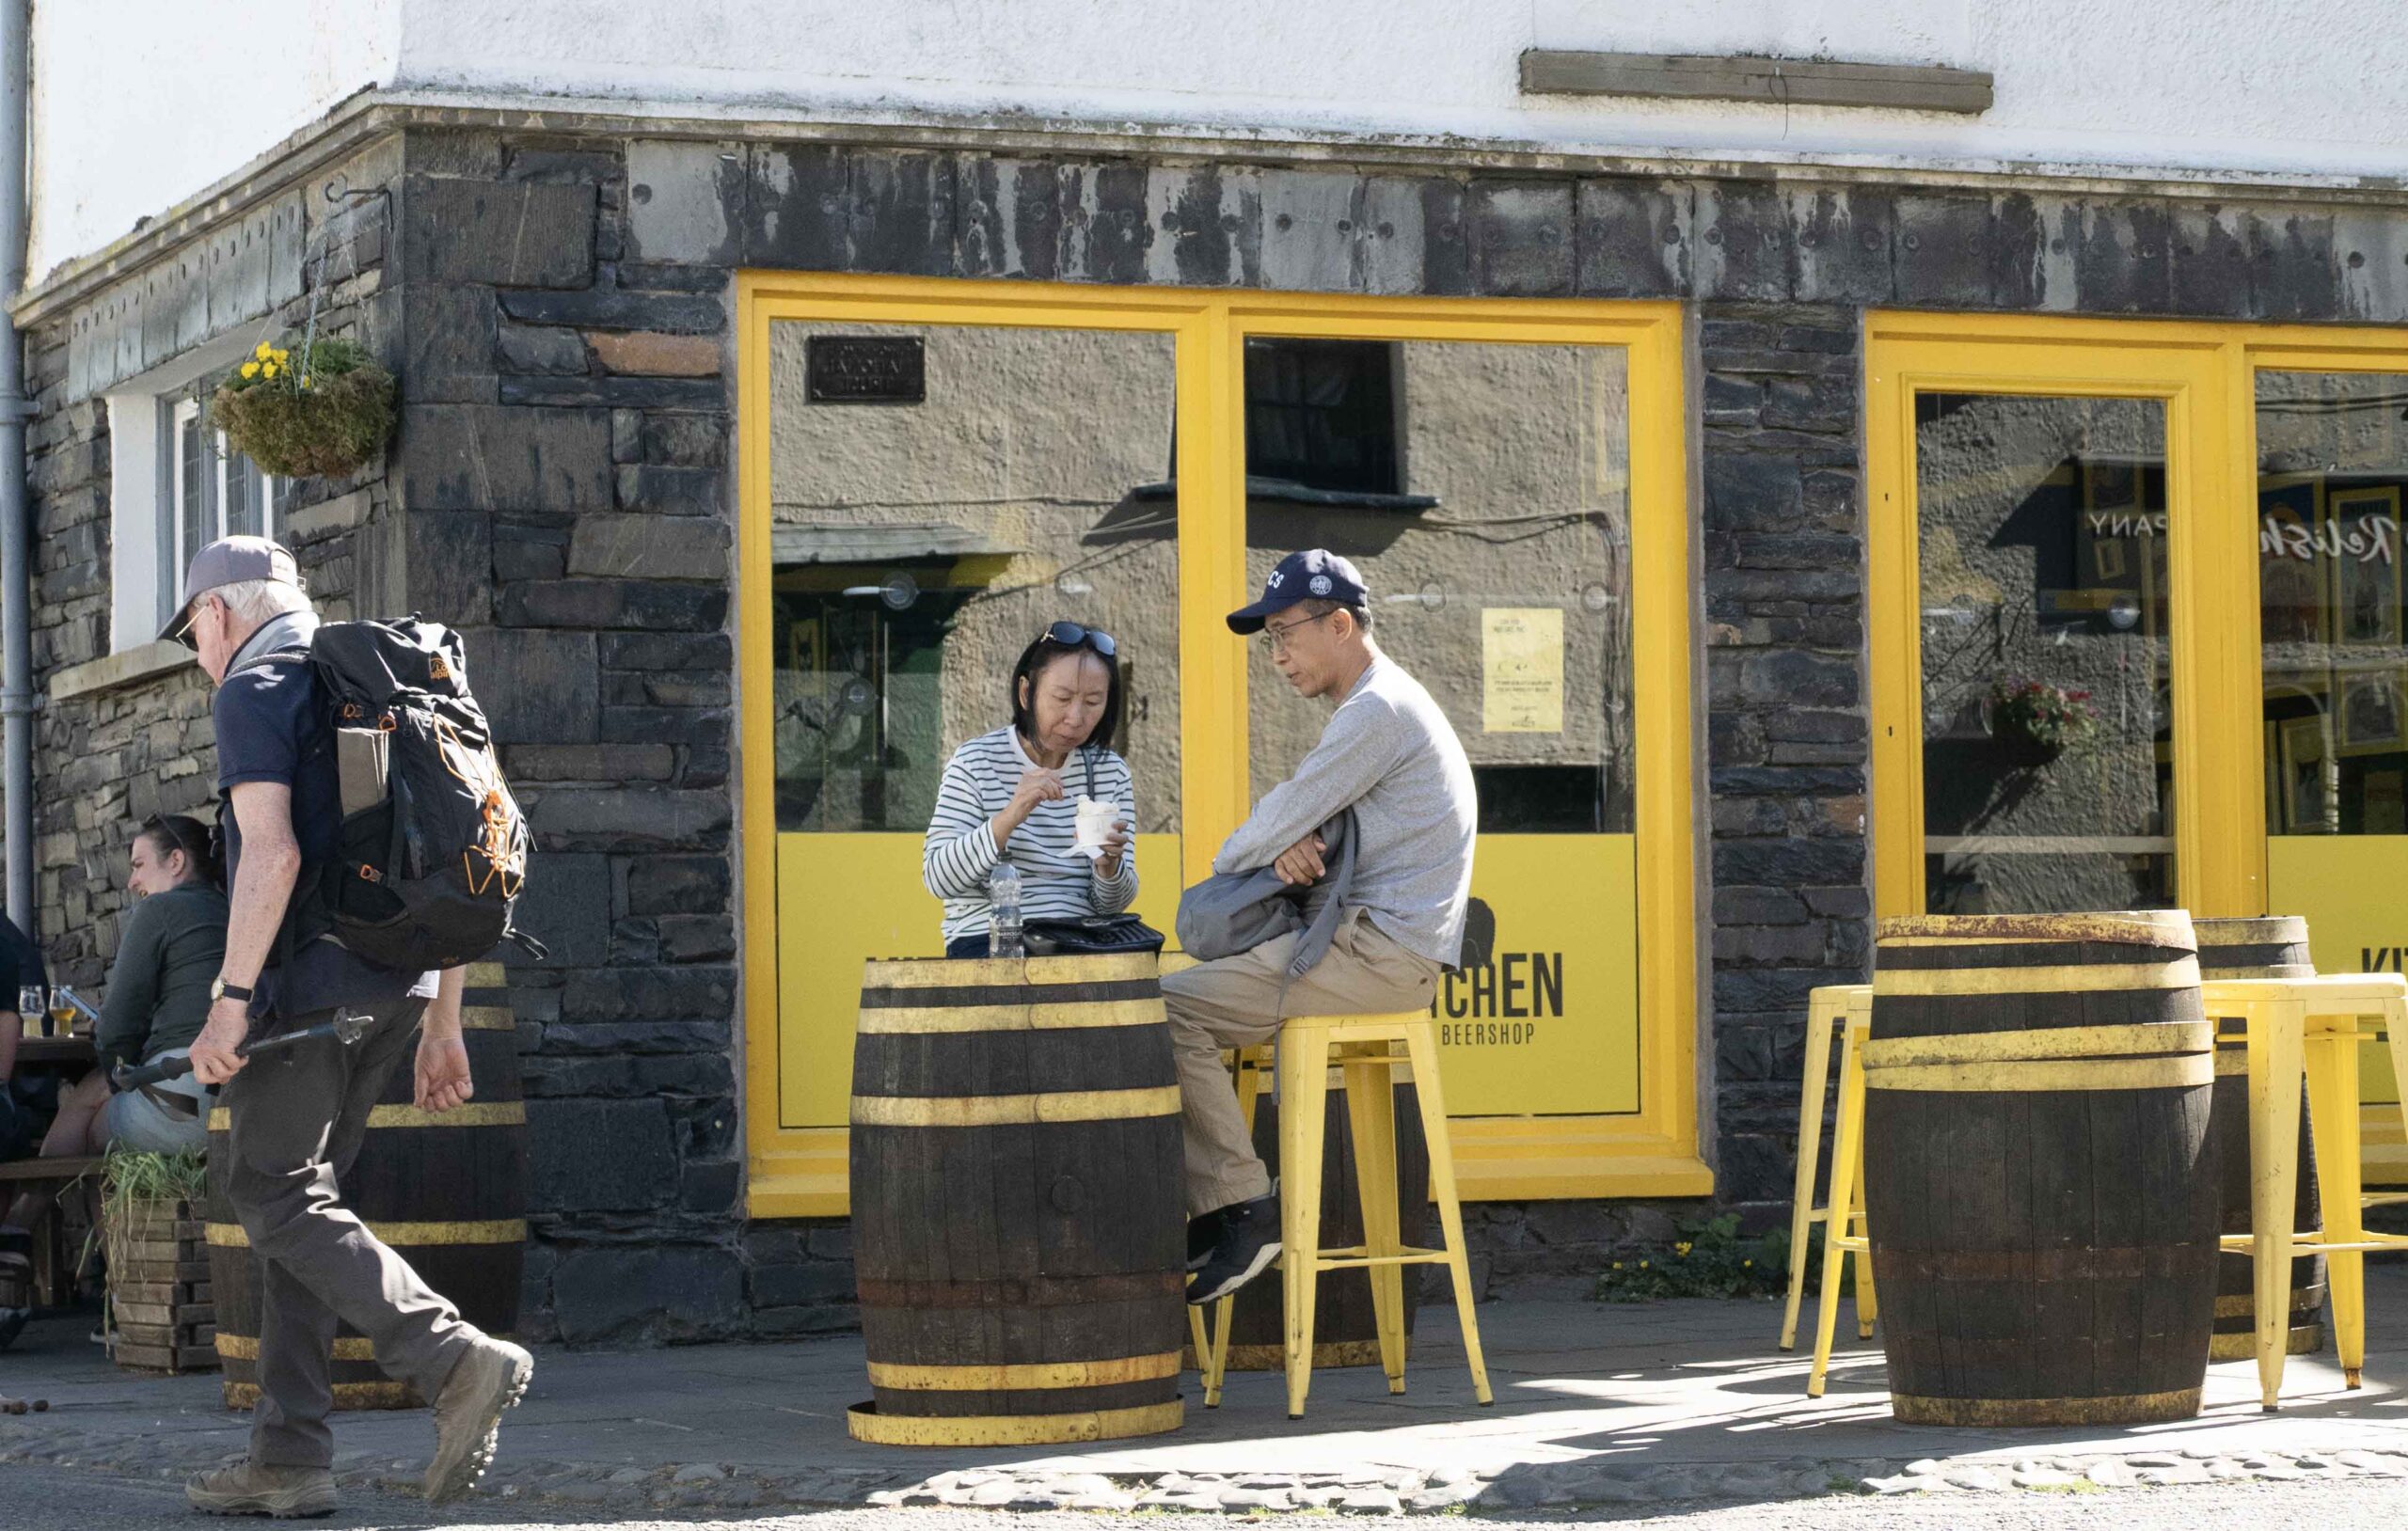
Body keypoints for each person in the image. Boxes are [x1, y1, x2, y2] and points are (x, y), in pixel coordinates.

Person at [165, 536, 531, 1517]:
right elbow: (459, 853)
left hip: (309, 997)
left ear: (218, 613)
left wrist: (229, 1001)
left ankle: (453, 1358)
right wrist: (444, 1019)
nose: (198, 655)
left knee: (270, 1186)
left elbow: (271, 856)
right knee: (303, 1211)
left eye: (192, 634)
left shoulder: (257, 686)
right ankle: (289, 1457)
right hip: (398, 991)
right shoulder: (379, 681)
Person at [1174, 550, 1477, 1304]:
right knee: (1177, 999)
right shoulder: (1388, 703)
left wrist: (1270, 841)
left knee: (1163, 1010)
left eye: (1284, 634)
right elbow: (1304, 822)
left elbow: (1259, 833)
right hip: (1374, 945)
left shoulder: (1376, 711)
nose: (1277, 656)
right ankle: (1222, 1206)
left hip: (1377, 954)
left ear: (1339, 624)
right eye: (1268, 640)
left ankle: (1243, 1208)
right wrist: (1292, 842)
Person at [922, 622, 1137, 955]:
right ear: (1026, 693)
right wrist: (1011, 815)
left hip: (1079, 938)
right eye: (1062, 698)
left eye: (1093, 702)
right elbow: (938, 879)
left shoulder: (1110, 771)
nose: (1075, 717)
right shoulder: (976, 761)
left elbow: (1112, 905)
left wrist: (1108, 867)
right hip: (991, 938)